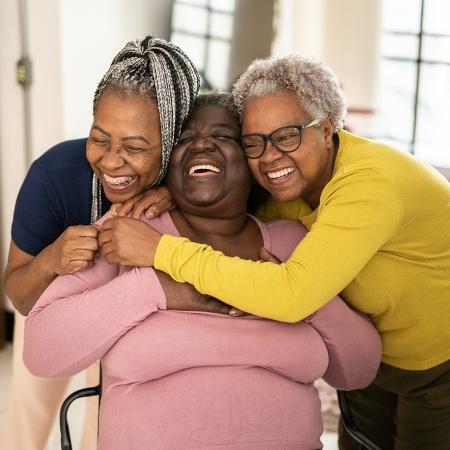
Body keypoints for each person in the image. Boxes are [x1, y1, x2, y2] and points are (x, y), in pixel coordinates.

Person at [24, 93, 381, 450]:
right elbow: (42, 351)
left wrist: (302, 296)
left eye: (224, 136)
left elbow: (358, 370)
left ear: (254, 161)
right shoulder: (132, 232)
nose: (201, 145)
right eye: (182, 139)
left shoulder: (292, 243)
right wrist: (155, 288)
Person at [135, 56, 450, 450]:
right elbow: (231, 210)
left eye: (287, 137)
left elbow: (291, 295)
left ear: (328, 130)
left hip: (439, 365)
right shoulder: (291, 188)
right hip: (376, 359)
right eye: (254, 141)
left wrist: (162, 250)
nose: (269, 156)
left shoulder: (370, 184)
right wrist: (174, 193)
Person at [1, 35, 215, 450]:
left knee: (104, 425)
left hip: (131, 312)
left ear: (173, 146)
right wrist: (49, 261)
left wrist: (177, 194)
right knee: (25, 422)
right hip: (49, 302)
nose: (111, 161)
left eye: (134, 147)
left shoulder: (197, 178)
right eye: (99, 139)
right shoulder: (55, 175)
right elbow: (19, 296)